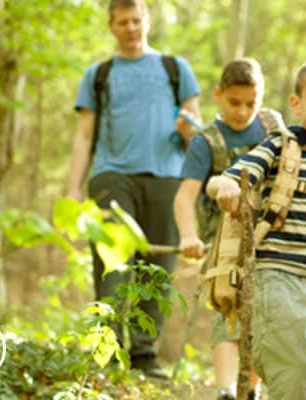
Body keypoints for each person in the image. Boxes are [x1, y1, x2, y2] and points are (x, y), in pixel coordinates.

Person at [206, 58, 306, 400]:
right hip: (278, 278)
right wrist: (226, 186)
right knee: (294, 376)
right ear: (296, 104)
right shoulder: (281, 145)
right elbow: (232, 175)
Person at [66, 0, 201, 379]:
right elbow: (84, 135)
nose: (130, 28)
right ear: (111, 27)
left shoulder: (175, 69)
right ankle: (105, 352)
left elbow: (197, 129)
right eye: (122, 22)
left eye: (136, 20)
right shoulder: (99, 74)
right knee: (112, 262)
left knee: (157, 268)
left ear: (148, 21)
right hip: (113, 175)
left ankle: (144, 354)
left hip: (167, 177)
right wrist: (72, 189)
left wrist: (189, 132)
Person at [173, 58, 268, 400]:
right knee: (227, 308)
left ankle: (252, 389)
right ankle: (225, 387)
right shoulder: (207, 141)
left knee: (262, 313)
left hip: (269, 239)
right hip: (222, 242)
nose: (242, 112)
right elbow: (185, 197)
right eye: (234, 103)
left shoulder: (272, 130)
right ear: (218, 96)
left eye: (250, 104)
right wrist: (188, 235)